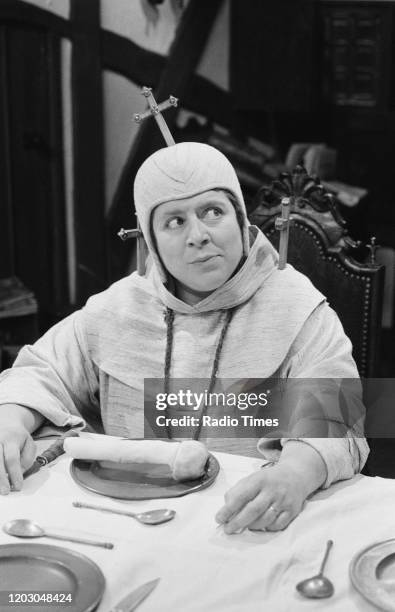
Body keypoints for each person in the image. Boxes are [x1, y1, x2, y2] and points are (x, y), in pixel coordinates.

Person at [0, 142, 368, 533]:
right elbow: (40, 371)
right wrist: (11, 420)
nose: (199, 236)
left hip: (246, 521)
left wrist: (295, 473)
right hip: (128, 520)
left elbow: (337, 417)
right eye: (174, 221)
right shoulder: (116, 308)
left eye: (213, 211)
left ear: (241, 221)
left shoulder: (299, 308)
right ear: (150, 241)